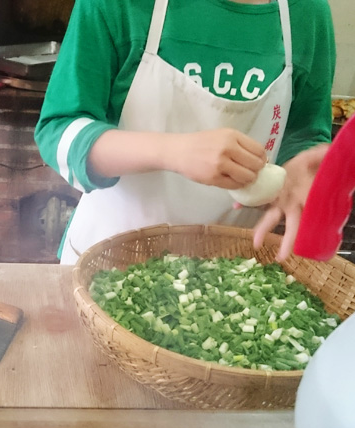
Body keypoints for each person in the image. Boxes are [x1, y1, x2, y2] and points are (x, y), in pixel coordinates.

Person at [35, 0, 335, 264]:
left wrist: (302, 173)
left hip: (227, 278)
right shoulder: (120, 5)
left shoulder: (306, 15)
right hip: (105, 265)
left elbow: (305, 133)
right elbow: (59, 131)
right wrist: (172, 151)